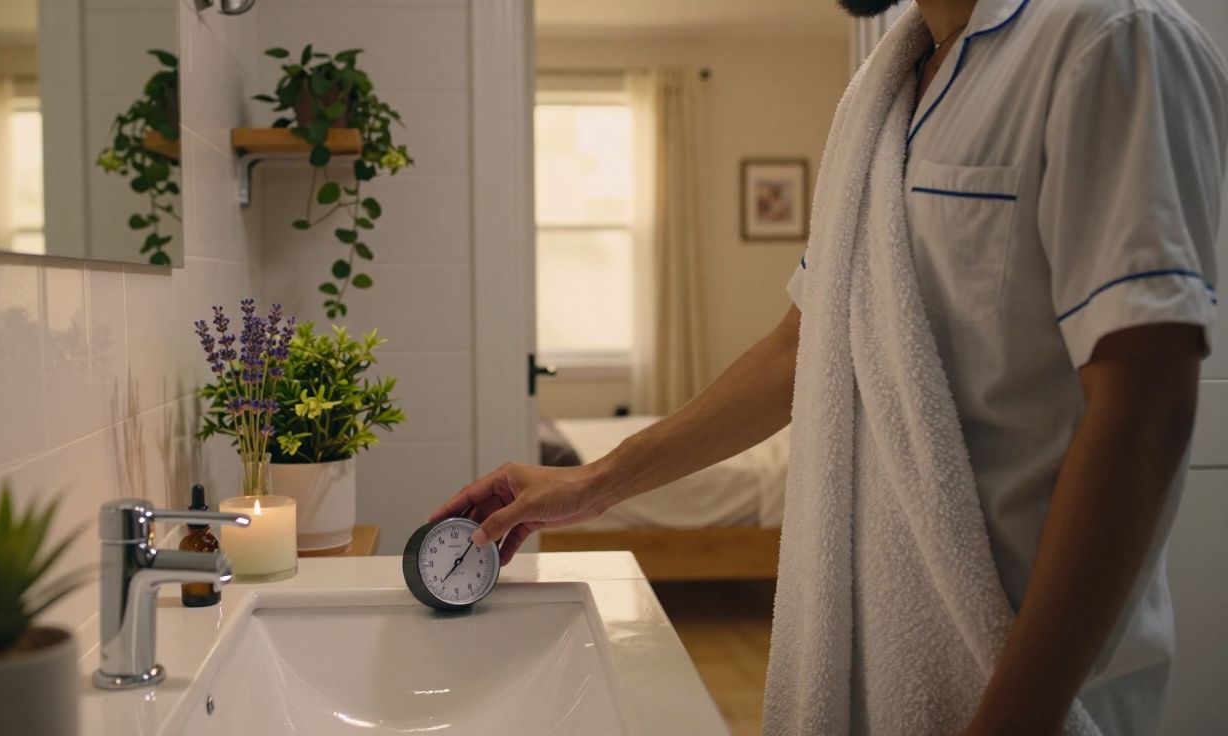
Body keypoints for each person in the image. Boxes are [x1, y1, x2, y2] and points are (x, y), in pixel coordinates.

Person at [432, 0, 1227, 733]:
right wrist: (593, 481)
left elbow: (1147, 407)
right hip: (882, 670)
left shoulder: (1109, 42)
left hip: (1030, 689)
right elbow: (803, 346)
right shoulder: (885, 91)